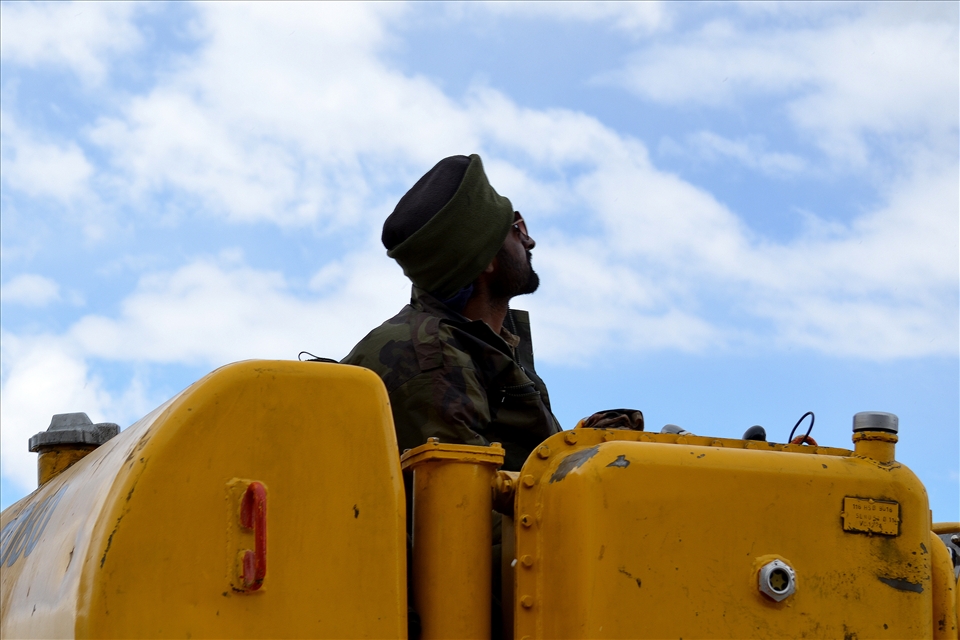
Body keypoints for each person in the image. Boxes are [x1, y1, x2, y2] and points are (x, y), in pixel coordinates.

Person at [342, 153, 561, 471]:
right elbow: (464, 511)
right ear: (486, 261)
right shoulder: (432, 360)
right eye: (516, 228)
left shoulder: (479, 344)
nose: (530, 241)